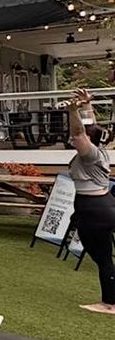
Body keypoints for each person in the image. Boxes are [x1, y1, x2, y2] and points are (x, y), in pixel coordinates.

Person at [67, 90, 115, 314]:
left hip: (93, 211)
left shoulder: (90, 154)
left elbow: (79, 133)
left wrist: (72, 110)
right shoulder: (99, 149)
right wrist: (86, 105)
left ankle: (109, 304)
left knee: (103, 258)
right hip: (104, 204)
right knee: (104, 257)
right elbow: (89, 128)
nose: (74, 138)